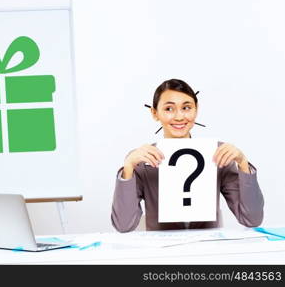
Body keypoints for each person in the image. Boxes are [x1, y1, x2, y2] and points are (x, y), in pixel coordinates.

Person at [111, 79, 264, 232]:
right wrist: (128, 168)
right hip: (162, 252)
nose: (179, 117)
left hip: (206, 249)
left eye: (186, 107)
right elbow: (124, 226)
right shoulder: (142, 160)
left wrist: (243, 164)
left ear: (196, 110)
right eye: (169, 109)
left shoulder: (217, 153)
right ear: (155, 113)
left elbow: (252, 219)